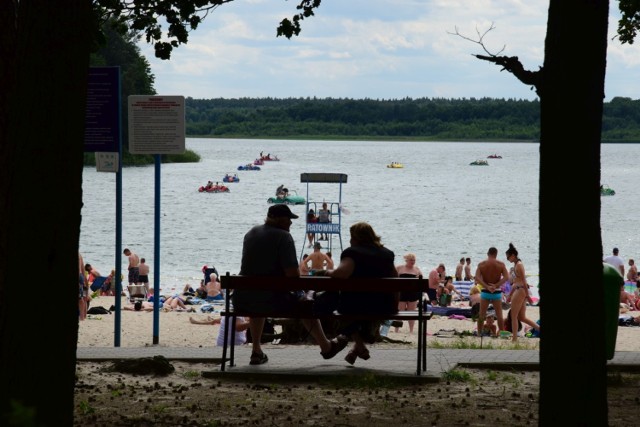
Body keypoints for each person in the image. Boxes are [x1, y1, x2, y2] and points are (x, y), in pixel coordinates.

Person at [232, 204, 348, 365]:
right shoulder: (283, 237)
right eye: (289, 219)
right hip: (271, 301)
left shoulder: (251, 233)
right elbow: (293, 275)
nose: (291, 223)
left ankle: (256, 350)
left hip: (243, 298)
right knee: (305, 303)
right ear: (279, 219)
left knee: (258, 300)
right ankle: (326, 346)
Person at [315, 221, 398, 365]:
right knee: (364, 307)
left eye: (351, 236)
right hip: (384, 305)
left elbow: (341, 273)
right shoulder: (387, 254)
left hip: (355, 306)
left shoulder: (352, 252)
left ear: (357, 237)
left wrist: (326, 271)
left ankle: (359, 345)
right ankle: (356, 349)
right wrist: (394, 304)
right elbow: (395, 278)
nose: (350, 240)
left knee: (340, 305)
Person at [505, 243, 540, 341]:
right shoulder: (515, 265)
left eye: (508, 257)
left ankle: (514, 339)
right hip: (519, 289)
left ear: (513, 255)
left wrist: (528, 296)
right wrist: (510, 294)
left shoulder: (519, 265)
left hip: (521, 290)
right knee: (522, 317)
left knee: (513, 316)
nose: (508, 259)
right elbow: (516, 282)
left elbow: (524, 281)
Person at [474, 247, 509, 334]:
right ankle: (501, 333)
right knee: (499, 315)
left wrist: (486, 286)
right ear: (496, 254)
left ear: (488, 254)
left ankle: (479, 333)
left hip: (485, 292)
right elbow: (506, 277)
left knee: (481, 314)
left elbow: (477, 277)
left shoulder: (481, 264)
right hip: (496, 291)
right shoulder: (501, 264)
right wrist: (496, 285)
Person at [395, 252, 423, 333]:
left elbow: (421, 279)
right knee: (400, 312)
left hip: (412, 294)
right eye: (411, 260)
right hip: (402, 293)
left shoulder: (416, 269)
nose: (413, 261)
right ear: (406, 260)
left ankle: (411, 330)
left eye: (414, 260)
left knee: (412, 312)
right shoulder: (399, 268)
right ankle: (397, 330)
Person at [78, 252, 89, 320]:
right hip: (81, 276)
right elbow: (82, 269)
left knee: (80, 298)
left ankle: (82, 317)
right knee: (83, 297)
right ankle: (83, 316)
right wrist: (86, 281)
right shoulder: (79, 255)